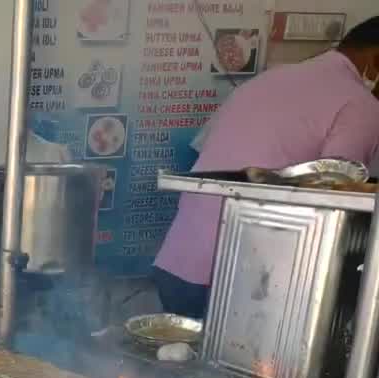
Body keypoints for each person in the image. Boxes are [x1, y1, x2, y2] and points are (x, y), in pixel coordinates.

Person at [152, 16, 379, 319]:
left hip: (179, 261)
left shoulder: (270, 78)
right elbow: (338, 199)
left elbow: (201, 150)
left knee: (181, 362)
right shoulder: (361, 104)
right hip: (243, 282)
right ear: (375, 61)